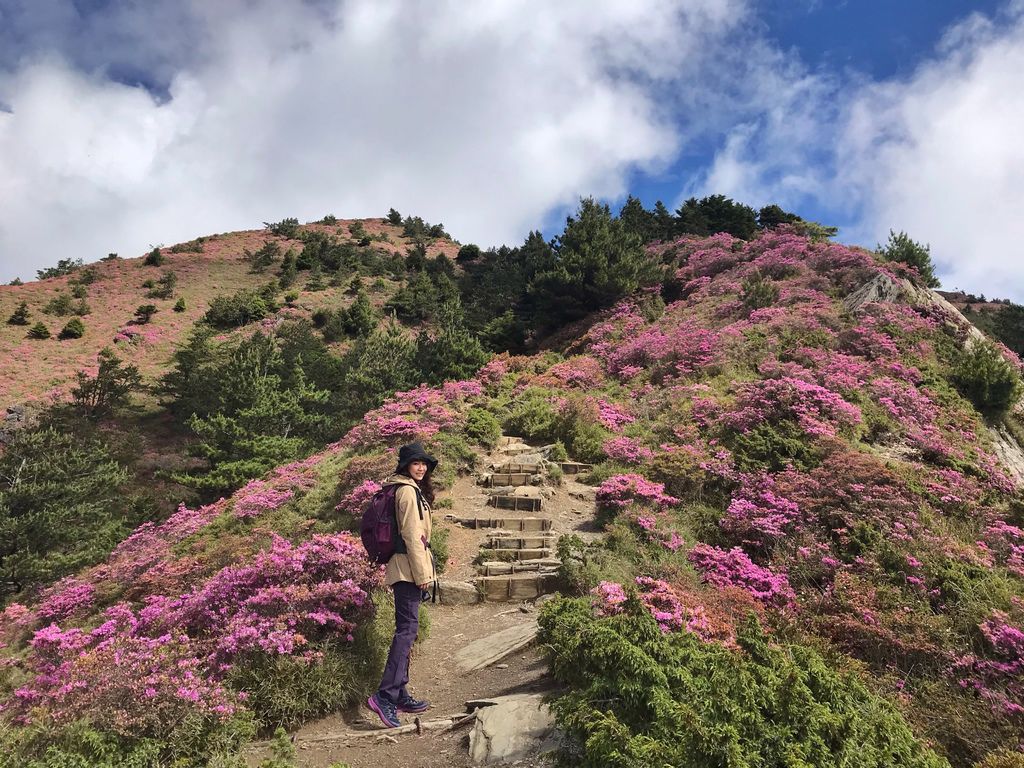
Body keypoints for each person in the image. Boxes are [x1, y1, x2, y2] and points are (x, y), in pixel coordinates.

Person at [367, 441, 438, 728]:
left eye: (424, 463)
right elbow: (411, 537)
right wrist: (423, 576)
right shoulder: (407, 492)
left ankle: (399, 692)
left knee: (407, 631)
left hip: (405, 569)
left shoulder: (407, 489)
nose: (421, 467)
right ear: (405, 466)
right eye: (416, 463)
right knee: (406, 632)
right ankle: (384, 696)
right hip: (408, 571)